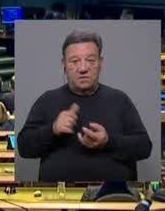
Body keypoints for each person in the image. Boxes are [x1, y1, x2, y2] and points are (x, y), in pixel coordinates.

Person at [18, 29, 152, 181]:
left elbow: (144, 147)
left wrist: (108, 141)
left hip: (112, 193)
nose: (83, 68)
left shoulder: (120, 100)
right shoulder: (47, 100)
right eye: (74, 61)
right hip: (59, 194)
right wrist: (52, 129)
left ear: (100, 63)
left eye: (90, 60)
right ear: (64, 65)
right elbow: (23, 147)